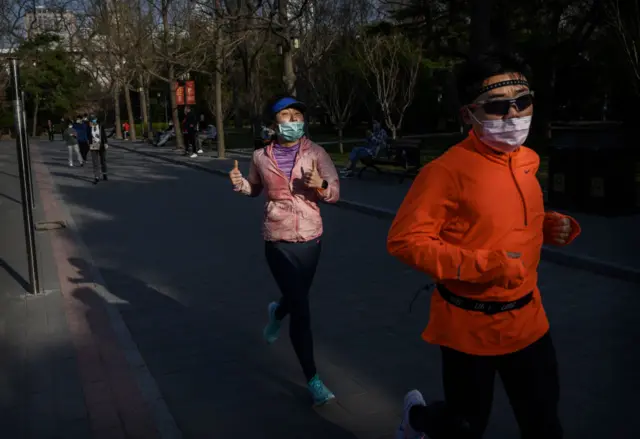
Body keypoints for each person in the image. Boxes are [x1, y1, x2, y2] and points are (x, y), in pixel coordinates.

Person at [386, 49, 581, 439]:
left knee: (544, 424)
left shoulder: (527, 159)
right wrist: (487, 265)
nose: (513, 115)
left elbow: (506, 217)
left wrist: (548, 227)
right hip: (467, 328)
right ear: (468, 115)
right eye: (497, 107)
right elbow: (405, 241)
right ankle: (418, 419)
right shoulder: (444, 172)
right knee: (464, 426)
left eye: (522, 103)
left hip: (528, 322)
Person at [228, 94, 340, 406]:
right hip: (276, 236)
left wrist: (320, 184)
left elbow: (334, 194)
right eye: (285, 116)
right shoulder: (260, 156)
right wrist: (240, 184)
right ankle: (314, 379)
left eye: (297, 115)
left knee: (295, 298)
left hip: (310, 236)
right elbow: (254, 190)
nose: (293, 121)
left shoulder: (316, 153)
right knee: (301, 308)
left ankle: (276, 312)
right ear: (273, 122)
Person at [88, 116, 108, 184]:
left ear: (96, 120)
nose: (92, 122)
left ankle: (104, 173)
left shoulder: (100, 126)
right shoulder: (89, 127)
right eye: (91, 121)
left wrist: (106, 143)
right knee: (95, 162)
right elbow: (87, 136)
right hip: (93, 145)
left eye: (93, 120)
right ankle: (96, 177)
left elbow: (104, 135)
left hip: (101, 145)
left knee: (103, 160)